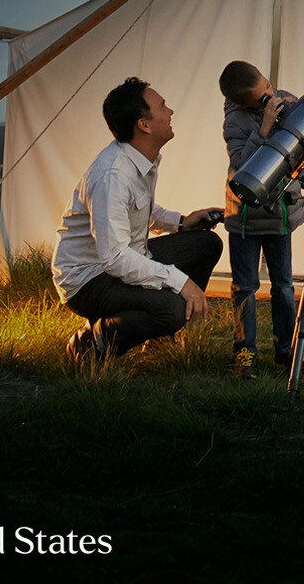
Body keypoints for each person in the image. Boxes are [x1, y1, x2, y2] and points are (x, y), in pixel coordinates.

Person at [53, 76, 222, 368]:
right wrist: (183, 283)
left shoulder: (140, 158)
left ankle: (157, 332)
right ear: (143, 125)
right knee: (173, 308)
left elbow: (142, 209)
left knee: (206, 243)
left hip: (124, 259)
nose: (170, 112)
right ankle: (92, 341)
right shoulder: (112, 175)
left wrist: (181, 222)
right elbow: (115, 259)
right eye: (162, 106)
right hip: (89, 281)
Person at [219, 60, 304, 379]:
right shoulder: (235, 122)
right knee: (246, 286)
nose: (270, 96)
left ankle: (287, 348)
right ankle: (245, 350)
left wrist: (300, 113)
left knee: (283, 285)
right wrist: (264, 130)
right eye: (261, 97)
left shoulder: (285, 98)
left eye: (268, 86)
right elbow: (241, 166)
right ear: (244, 103)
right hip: (245, 217)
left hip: (279, 213)